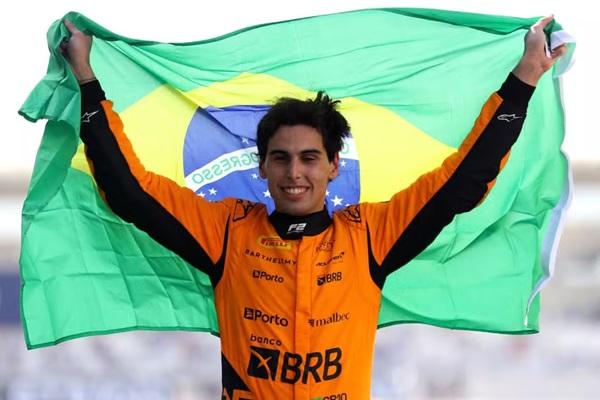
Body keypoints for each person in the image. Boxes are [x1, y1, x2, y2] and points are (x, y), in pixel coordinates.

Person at [62, 16, 565, 400]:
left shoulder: (370, 234)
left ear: (332, 166)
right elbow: (130, 192)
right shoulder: (227, 233)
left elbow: (461, 183)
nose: (294, 172)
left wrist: (523, 78)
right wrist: (87, 79)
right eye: (279, 158)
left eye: (309, 158)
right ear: (261, 167)